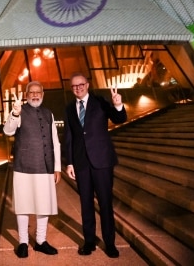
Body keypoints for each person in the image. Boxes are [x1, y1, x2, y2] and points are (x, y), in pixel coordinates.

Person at [63, 72, 127, 258]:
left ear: (87, 84)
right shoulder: (68, 108)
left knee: (105, 204)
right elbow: (69, 137)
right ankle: (89, 241)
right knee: (85, 205)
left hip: (102, 162)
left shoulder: (100, 101)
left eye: (81, 84)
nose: (78, 88)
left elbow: (119, 119)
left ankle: (110, 243)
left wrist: (117, 105)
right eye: (74, 86)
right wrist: (70, 163)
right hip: (82, 163)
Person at [3, 81, 62, 258]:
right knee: (23, 206)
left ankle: (41, 241)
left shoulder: (48, 113)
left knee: (44, 205)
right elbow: (7, 131)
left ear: (42, 94)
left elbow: (55, 142)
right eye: (32, 92)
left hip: (46, 167)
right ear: (26, 94)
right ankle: (22, 243)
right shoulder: (20, 111)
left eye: (38, 92)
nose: (35, 95)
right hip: (24, 167)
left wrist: (57, 168)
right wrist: (14, 113)